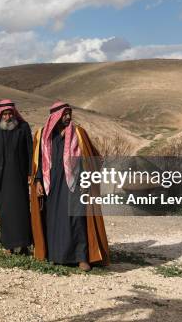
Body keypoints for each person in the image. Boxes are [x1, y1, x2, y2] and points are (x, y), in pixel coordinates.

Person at [30, 101, 110, 271]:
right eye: (64, 114)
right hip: (50, 184)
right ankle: (56, 256)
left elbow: (93, 157)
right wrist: (37, 181)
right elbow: (37, 161)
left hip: (75, 184)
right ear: (55, 117)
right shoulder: (42, 135)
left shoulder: (78, 134)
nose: (68, 117)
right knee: (53, 220)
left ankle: (82, 258)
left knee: (77, 219)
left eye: (69, 114)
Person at [0, 99, 33, 254]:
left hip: (19, 178)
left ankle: (24, 245)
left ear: (14, 113)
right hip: (0, 179)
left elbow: (30, 153)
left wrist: (31, 173)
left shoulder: (23, 128)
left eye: (10, 113)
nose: (7, 117)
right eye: (4, 114)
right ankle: (9, 246)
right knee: (5, 213)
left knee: (22, 212)